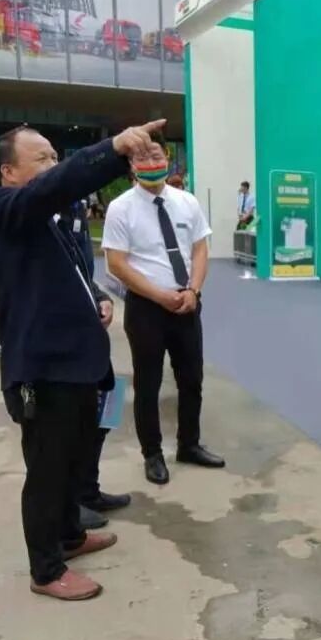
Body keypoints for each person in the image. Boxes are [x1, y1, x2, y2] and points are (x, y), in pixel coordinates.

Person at [0, 119, 164, 601]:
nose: (53, 165)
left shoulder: (49, 221)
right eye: (41, 158)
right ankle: (46, 569)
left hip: (79, 362)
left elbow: (73, 273)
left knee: (76, 456)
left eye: (55, 156)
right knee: (47, 470)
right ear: (8, 172)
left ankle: (70, 535)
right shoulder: (1, 210)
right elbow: (54, 187)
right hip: (43, 368)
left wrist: (95, 297)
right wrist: (114, 149)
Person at [103, 132, 224, 485]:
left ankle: (189, 444)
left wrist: (194, 290)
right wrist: (159, 296)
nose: (150, 162)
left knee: (192, 379)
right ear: (131, 164)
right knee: (148, 384)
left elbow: (200, 249)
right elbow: (116, 263)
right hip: (146, 309)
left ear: (168, 157)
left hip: (187, 304)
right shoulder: (121, 208)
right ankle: (152, 453)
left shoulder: (187, 202)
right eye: (141, 156)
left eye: (156, 154)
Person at [53, 200, 131, 531]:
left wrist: (102, 298)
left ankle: (88, 489)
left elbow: (83, 275)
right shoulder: (40, 219)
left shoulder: (75, 212)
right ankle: (71, 503)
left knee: (107, 408)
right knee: (69, 429)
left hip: (92, 343)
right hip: (63, 347)